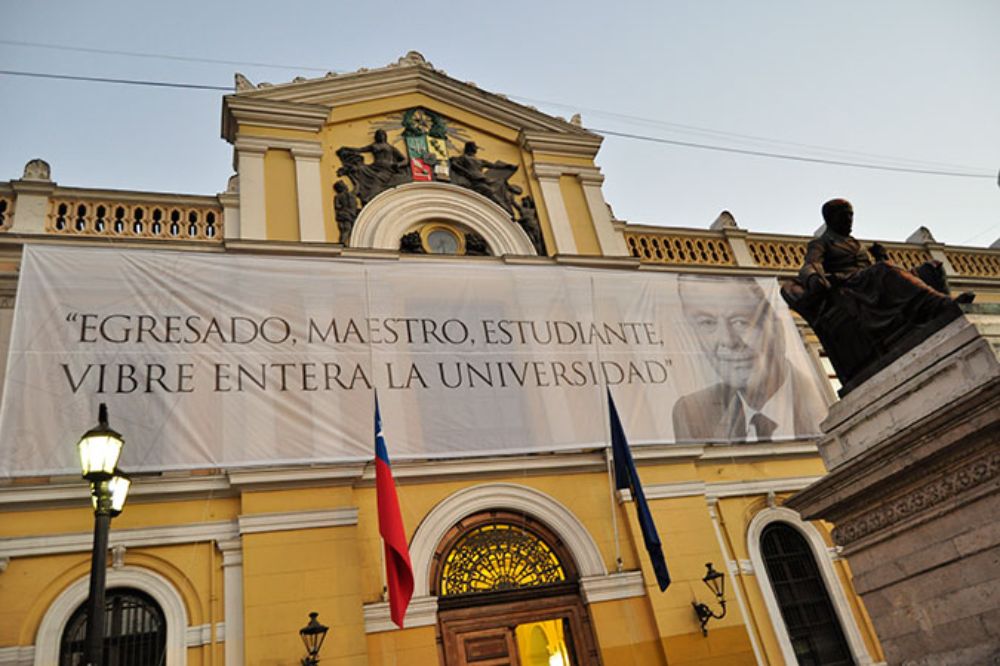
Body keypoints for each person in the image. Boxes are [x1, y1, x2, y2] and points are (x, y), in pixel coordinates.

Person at [781, 198, 972, 386]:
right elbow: (809, 265)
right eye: (844, 216)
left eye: (851, 215)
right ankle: (943, 304)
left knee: (933, 267)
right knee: (884, 270)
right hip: (849, 286)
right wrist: (814, 279)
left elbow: (873, 268)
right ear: (830, 219)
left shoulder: (855, 243)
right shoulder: (821, 243)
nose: (849, 220)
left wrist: (881, 257)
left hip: (870, 281)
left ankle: (942, 313)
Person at [672, 275, 825, 442]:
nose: (728, 341)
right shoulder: (692, 413)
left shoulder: (825, 400)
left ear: (777, 329)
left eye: (741, 322)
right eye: (707, 323)